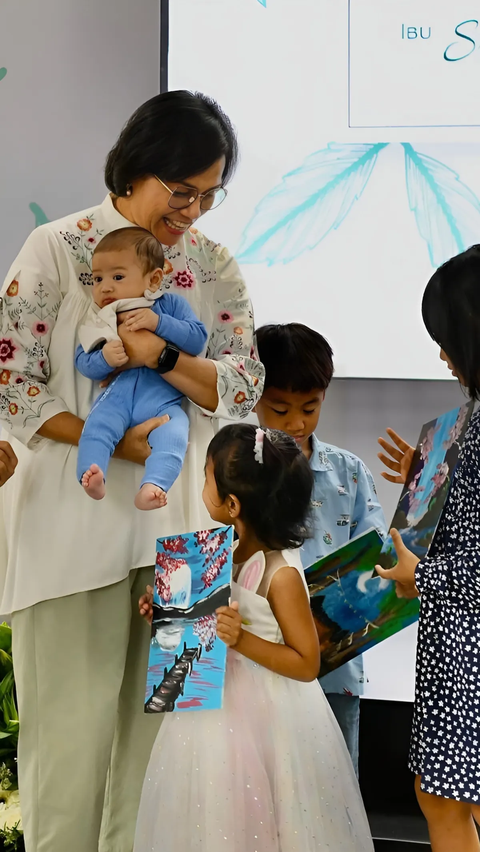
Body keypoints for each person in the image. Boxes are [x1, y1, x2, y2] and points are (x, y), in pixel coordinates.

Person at [0, 91, 264, 852]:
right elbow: (13, 384)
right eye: (183, 191)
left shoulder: (213, 267)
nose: (194, 211)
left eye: (211, 196)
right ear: (137, 168)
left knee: (173, 769)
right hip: (70, 537)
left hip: (189, 543)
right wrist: (120, 444)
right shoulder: (57, 247)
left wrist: (171, 358)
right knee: (68, 758)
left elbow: (244, 387)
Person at [136, 423, 375, 852]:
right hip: (209, 704)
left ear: (231, 503)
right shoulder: (221, 548)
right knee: (212, 813)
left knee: (270, 812)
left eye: (206, 476)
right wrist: (167, 610)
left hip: (268, 714)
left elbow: (306, 663)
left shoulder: (280, 574)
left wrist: (243, 641)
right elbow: (202, 619)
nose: (202, 484)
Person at [376, 245, 480, 852]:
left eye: (448, 336)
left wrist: (428, 575)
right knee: (442, 793)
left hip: (466, 638)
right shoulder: (471, 416)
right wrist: (430, 472)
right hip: (453, 636)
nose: (442, 354)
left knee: (448, 794)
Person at [254, 323, 386, 776]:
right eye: (280, 409)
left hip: (333, 670)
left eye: (310, 408)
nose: (296, 422)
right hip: (253, 666)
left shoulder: (349, 472)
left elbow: (378, 564)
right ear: (252, 392)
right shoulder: (231, 469)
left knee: (332, 788)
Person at [76, 227, 207, 509]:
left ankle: (153, 485)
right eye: (97, 279)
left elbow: (197, 340)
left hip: (164, 402)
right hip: (117, 399)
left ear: (154, 278)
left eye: (118, 277)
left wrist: (158, 324)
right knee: (96, 428)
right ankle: (92, 474)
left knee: (174, 435)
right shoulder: (102, 317)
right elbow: (83, 361)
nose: (105, 286)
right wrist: (105, 360)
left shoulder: (169, 305)